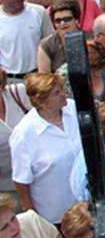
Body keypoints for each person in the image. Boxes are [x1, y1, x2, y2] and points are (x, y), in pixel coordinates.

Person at [10, 73, 81, 225]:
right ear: (40, 101)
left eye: (61, 89)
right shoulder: (24, 134)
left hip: (86, 206)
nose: (64, 94)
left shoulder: (73, 108)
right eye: (56, 93)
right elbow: (21, 181)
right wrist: (34, 219)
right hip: (56, 217)